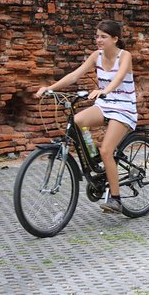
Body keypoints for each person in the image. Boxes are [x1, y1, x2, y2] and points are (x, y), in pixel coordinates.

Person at [34, 20, 136, 214]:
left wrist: (104, 90)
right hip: (105, 104)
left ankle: (116, 199)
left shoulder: (125, 56)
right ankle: (93, 157)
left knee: (107, 150)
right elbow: (74, 76)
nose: (99, 40)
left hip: (124, 108)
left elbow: (119, 77)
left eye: (103, 37)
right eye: (97, 36)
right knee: (78, 121)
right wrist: (50, 88)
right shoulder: (96, 56)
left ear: (115, 39)